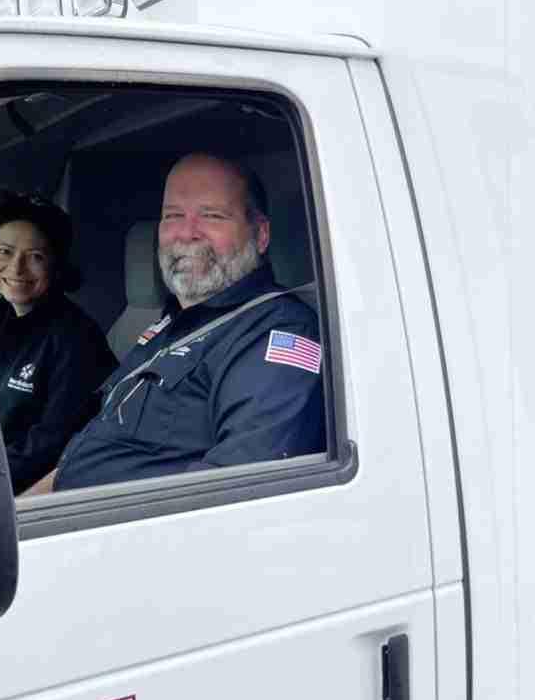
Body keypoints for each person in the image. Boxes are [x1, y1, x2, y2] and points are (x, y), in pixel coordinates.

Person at [32, 153, 324, 493]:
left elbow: (239, 497)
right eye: (172, 215)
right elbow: (94, 449)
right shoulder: (170, 325)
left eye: (212, 215)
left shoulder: (277, 333)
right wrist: (22, 508)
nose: (186, 233)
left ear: (260, 235)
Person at [0, 196, 117, 494]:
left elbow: (50, 444)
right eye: (5, 252)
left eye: (35, 256)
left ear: (56, 264)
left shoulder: (75, 340)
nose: (17, 268)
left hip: (26, 486)